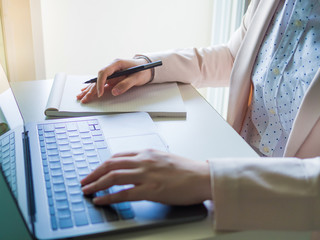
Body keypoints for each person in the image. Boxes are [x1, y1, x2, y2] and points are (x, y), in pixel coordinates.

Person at [77, 0, 320, 231]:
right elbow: (236, 56)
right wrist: (148, 67)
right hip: (235, 171)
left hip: (294, 213)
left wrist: (209, 179)